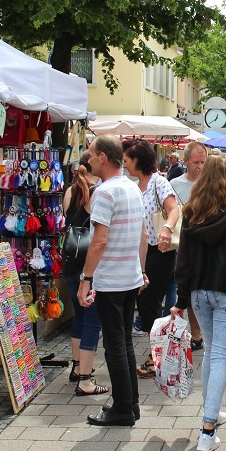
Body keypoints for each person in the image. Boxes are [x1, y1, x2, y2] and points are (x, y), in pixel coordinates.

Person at [170, 156, 226, 451]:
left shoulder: (191, 212)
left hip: (198, 293)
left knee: (210, 352)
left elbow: (183, 260)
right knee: (220, 356)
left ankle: (212, 410)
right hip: (225, 293)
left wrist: (180, 299)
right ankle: (207, 429)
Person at [77, 135, 146, 426]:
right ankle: (130, 404)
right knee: (125, 343)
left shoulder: (105, 192)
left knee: (115, 345)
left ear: (103, 157)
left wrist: (85, 278)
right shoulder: (132, 188)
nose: (88, 159)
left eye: (91, 154)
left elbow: (99, 241)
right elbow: (142, 234)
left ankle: (122, 409)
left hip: (111, 280)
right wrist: (141, 270)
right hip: (128, 277)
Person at [122, 139, 181, 378]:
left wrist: (166, 227)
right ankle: (161, 352)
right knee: (148, 303)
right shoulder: (136, 185)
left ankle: (158, 356)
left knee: (148, 302)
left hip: (160, 251)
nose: (124, 165)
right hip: (142, 251)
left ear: (137, 160)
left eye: (126, 160)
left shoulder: (159, 181)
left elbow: (174, 208)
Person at [62, 154, 107, 396]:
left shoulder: (71, 190)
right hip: (88, 263)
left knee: (78, 316)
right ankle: (86, 378)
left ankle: (77, 366)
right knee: (91, 318)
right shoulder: (97, 192)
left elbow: (68, 220)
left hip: (70, 260)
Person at [169, 141, 209, 352]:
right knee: (190, 291)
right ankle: (196, 335)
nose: (200, 167)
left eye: (203, 162)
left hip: (207, 245)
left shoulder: (211, 184)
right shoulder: (175, 184)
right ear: (185, 162)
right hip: (183, 246)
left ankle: (205, 333)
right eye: (195, 162)